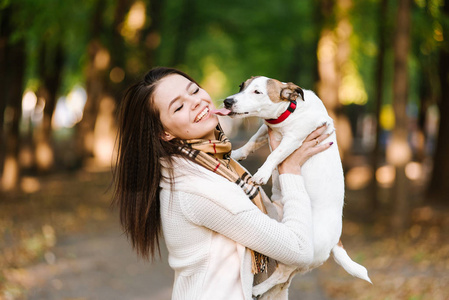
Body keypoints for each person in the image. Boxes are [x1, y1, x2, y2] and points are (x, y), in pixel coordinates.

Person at [112, 67, 333, 300]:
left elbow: (273, 221)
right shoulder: (200, 188)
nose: (196, 102)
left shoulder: (218, 166)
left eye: (194, 90)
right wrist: (289, 170)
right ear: (164, 133)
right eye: (178, 107)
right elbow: (299, 250)